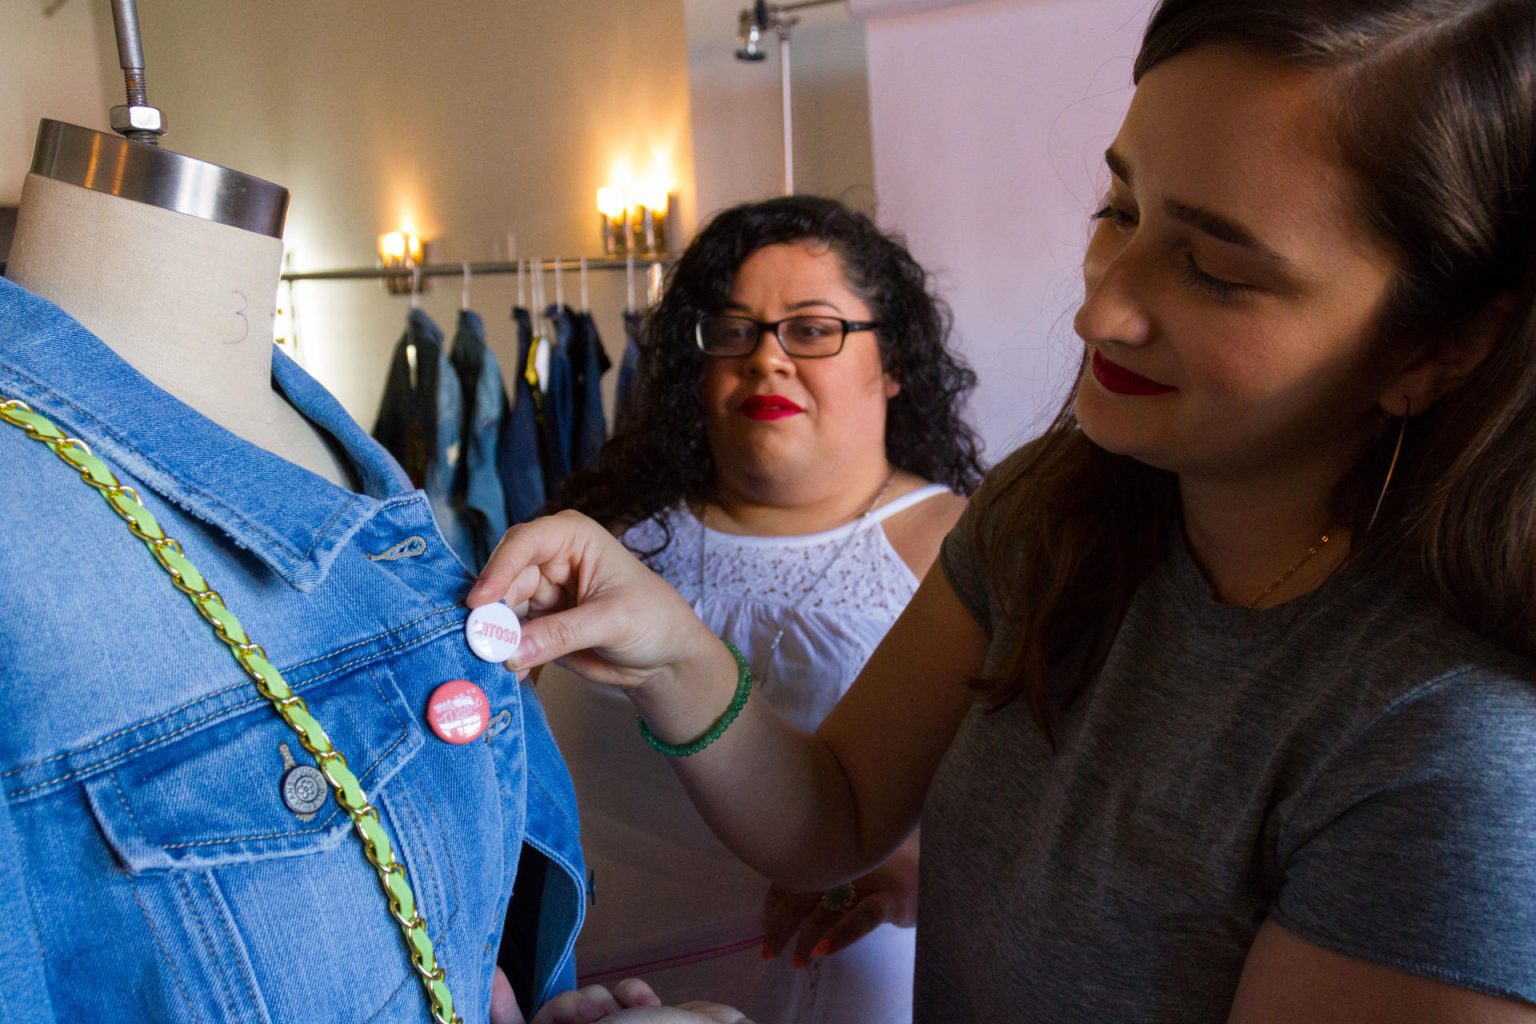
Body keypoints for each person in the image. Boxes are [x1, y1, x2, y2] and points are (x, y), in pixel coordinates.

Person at [472, 0, 1536, 1019]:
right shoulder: (1053, 512)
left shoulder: (1454, 757)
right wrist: (665, 644)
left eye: (1214, 270)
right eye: (1118, 210)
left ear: (1437, 346)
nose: (1100, 308)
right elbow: (835, 807)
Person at [539, 195, 983, 1022]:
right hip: (611, 992)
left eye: (812, 329)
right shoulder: (610, 547)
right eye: (734, 331)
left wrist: (941, 862)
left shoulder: (970, 551)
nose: (767, 359)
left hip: (845, 988)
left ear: (892, 363)